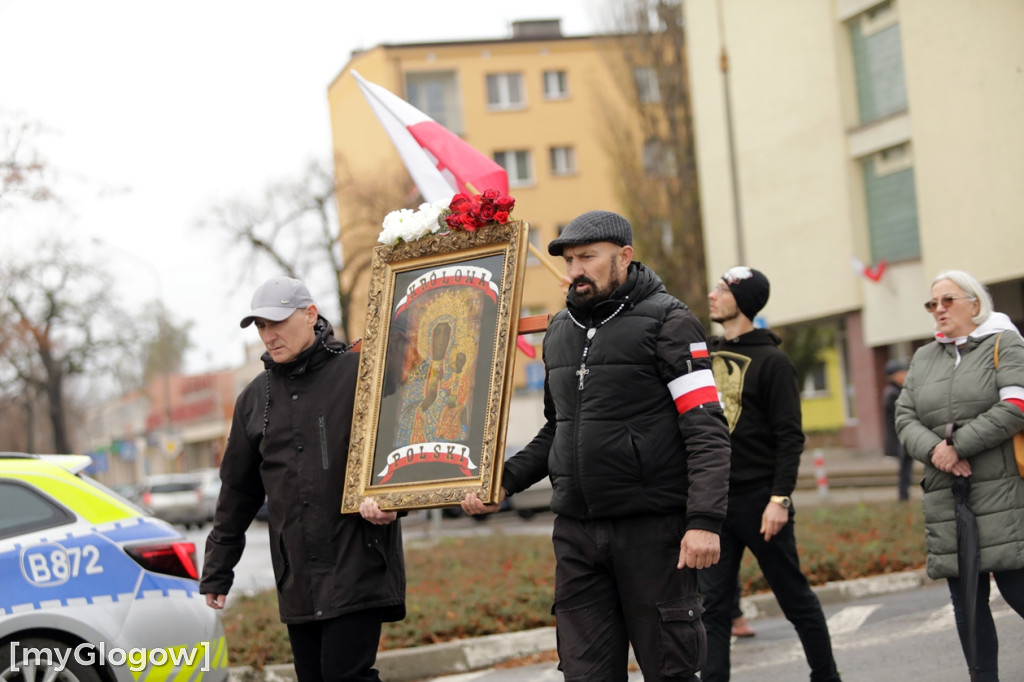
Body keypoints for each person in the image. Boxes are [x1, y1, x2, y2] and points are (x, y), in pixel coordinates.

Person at [463, 210, 732, 681]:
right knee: (584, 675)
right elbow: (556, 430)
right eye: (569, 260)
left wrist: (705, 521)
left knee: (671, 671)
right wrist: (500, 482)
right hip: (578, 536)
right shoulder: (561, 332)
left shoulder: (670, 322)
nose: (575, 271)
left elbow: (705, 426)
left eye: (587, 257)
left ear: (624, 257)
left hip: (653, 534)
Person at [200, 276, 405, 682]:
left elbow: (400, 448)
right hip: (296, 572)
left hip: (358, 558)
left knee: (347, 676)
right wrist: (218, 568)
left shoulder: (360, 373)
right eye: (260, 326)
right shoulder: (255, 398)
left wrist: (395, 501)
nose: (268, 335)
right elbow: (237, 491)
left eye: (276, 322)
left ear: (310, 314)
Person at [700, 266, 841, 682]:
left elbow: (790, 437)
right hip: (715, 503)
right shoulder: (704, 353)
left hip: (760, 501)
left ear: (742, 302)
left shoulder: (773, 362)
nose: (712, 295)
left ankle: (827, 676)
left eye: (722, 290)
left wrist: (779, 499)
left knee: (795, 599)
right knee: (713, 609)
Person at [895, 269, 1024, 681]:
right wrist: (936, 452)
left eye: (948, 300)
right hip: (947, 495)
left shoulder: (1005, 344)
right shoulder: (923, 357)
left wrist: (957, 446)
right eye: (932, 304)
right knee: (967, 604)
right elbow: (904, 417)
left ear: (974, 302)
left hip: (1003, 493)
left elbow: (1016, 407)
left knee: (1017, 588)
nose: (938, 310)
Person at [881, 358, 912, 501]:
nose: (905, 376)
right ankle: (903, 496)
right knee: (904, 469)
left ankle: (904, 495)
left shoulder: (897, 391)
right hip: (899, 438)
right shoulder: (892, 394)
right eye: (901, 373)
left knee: (906, 467)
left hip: (902, 437)